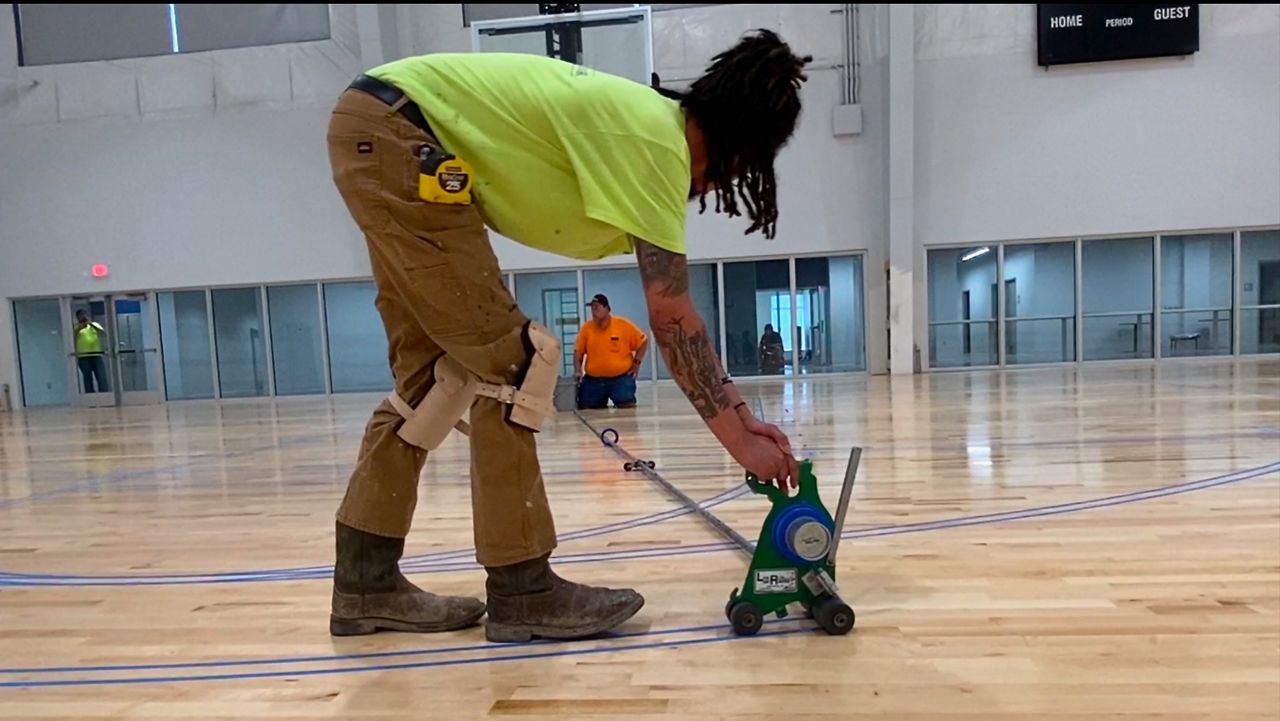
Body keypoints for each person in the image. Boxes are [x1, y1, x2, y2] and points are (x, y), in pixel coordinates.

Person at [325, 29, 809, 643]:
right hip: (403, 133)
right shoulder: (660, 145)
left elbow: (672, 320)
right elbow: (673, 319)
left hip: (380, 124)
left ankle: (366, 583)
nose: (715, 190)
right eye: (740, 170)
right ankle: (522, 591)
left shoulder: (644, 129)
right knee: (517, 371)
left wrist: (742, 415)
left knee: (431, 385)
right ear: (737, 146)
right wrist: (740, 441)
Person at [574, 294, 647, 409]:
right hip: (594, 380)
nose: (593, 311)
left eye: (596, 307)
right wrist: (578, 371)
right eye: (592, 308)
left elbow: (643, 342)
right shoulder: (587, 328)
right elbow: (578, 352)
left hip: (620, 379)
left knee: (626, 406)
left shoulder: (623, 325)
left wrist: (636, 364)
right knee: (586, 408)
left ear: (607, 308)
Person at [74, 310, 109, 393]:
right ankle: (90, 398)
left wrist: (91, 323)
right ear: (78, 318)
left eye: (85, 315)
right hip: (83, 356)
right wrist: (80, 326)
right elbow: (72, 335)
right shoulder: (76, 327)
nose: (83, 318)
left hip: (96, 354)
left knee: (101, 377)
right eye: (81, 316)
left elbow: (103, 333)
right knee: (87, 378)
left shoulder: (94, 325)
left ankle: (104, 396)